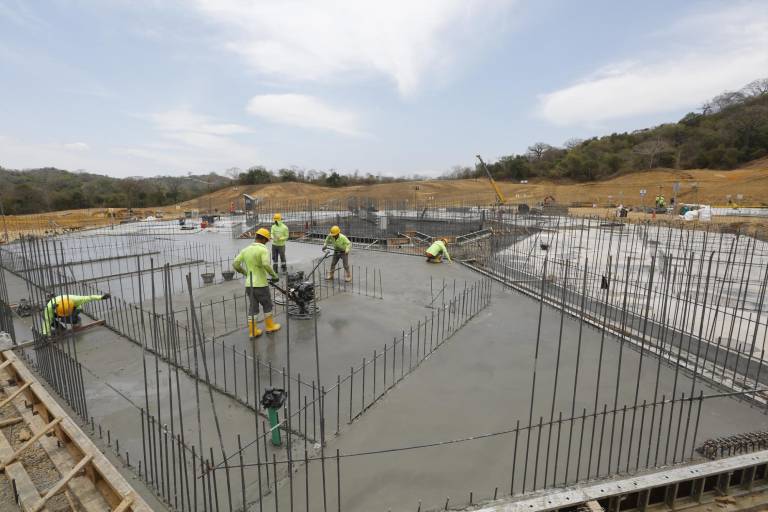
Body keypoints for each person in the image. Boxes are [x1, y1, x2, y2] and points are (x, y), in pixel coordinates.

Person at [233, 228, 281, 338]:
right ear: (264, 239)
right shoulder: (263, 249)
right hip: (261, 285)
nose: (267, 242)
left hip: (249, 285)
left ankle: (253, 332)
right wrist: (274, 275)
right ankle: (270, 327)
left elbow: (235, 264)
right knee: (267, 305)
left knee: (253, 308)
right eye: (267, 240)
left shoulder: (245, 250)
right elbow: (265, 264)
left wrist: (245, 273)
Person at [42, 293, 111, 336]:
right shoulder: (50, 307)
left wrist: (101, 297)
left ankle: (76, 321)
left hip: (74, 309)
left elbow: (89, 297)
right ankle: (61, 329)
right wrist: (46, 333)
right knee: (47, 317)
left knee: (68, 318)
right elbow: (47, 320)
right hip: (59, 311)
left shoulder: (76, 299)